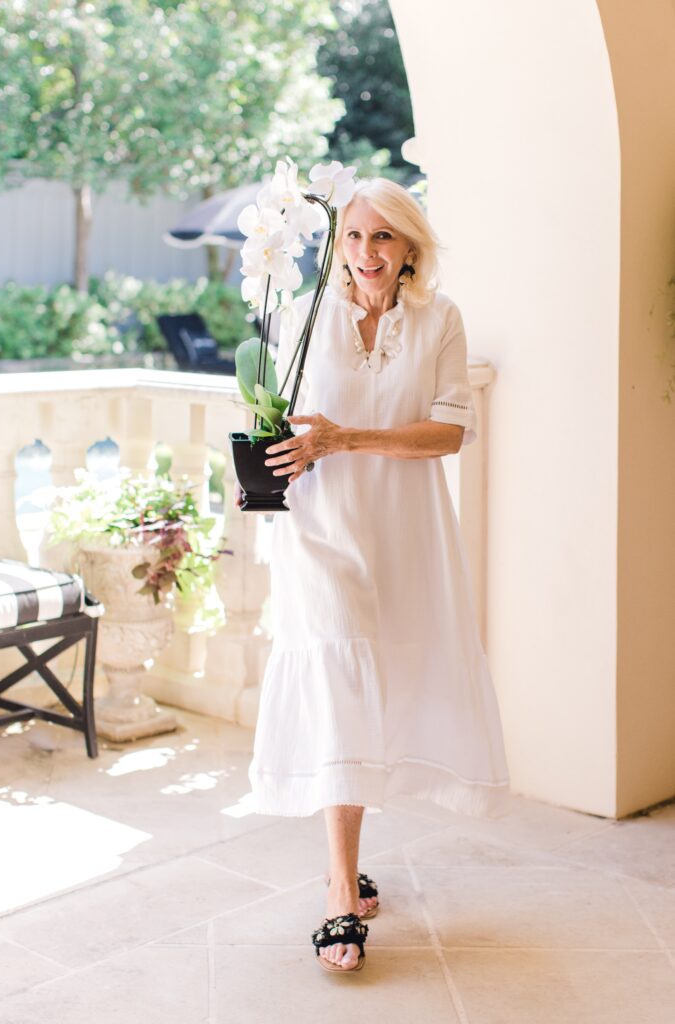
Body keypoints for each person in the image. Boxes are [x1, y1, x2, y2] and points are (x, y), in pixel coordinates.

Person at [236, 178, 510, 973]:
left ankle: (346, 864)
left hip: (403, 530)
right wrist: (274, 455)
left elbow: (447, 434)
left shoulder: (439, 321)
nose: (365, 254)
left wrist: (344, 438)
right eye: (352, 237)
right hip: (319, 529)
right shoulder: (300, 315)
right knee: (337, 683)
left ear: (410, 247)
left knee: (385, 679)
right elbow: (278, 420)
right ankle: (336, 891)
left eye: (383, 238)